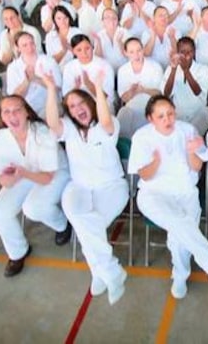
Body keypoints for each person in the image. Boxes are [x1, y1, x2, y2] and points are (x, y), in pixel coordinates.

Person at [129, 95, 208, 298]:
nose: (167, 119)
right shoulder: (141, 137)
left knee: (180, 230)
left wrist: (193, 151)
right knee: (180, 222)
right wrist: (156, 162)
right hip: (153, 194)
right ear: (150, 119)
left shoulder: (187, 130)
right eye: (160, 116)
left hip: (185, 191)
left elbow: (197, 167)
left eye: (170, 113)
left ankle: (180, 274)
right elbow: (144, 175)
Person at [43, 71, 129, 303]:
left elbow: (106, 120)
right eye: (71, 106)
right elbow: (52, 121)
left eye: (82, 103)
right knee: (83, 222)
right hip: (78, 187)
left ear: (91, 104)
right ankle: (108, 271)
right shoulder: (69, 130)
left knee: (90, 226)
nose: (78, 108)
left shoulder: (107, 125)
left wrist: (98, 88)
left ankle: (101, 272)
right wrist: (51, 89)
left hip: (111, 187)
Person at [0, 95, 71, 277]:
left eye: (17, 110)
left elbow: (47, 177)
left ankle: (62, 225)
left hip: (54, 173)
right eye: (7, 112)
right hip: (22, 174)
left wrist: (22, 174)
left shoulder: (42, 133)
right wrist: (10, 179)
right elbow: (3, 179)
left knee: (33, 208)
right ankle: (18, 252)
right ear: (1, 116)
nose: (12, 116)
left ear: (26, 111)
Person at [161, 37, 208, 135]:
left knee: (190, 135)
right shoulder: (171, 68)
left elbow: (197, 92)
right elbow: (166, 94)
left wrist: (186, 71)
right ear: (178, 52)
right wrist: (173, 70)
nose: (186, 55)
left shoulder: (203, 69)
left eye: (190, 52)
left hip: (199, 113)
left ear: (194, 53)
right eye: (182, 51)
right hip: (178, 114)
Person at [7, 31, 62, 119]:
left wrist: (36, 79)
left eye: (31, 43)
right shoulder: (12, 68)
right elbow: (14, 97)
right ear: (18, 48)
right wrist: (27, 81)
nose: (30, 48)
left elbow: (58, 88)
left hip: (50, 104)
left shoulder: (48, 61)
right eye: (25, 45)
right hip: (28, 109)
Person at [116, 37, 163, 138]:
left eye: (139, 50)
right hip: (132, 107)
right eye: (131, 52)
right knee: (123, 116)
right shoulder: (123, 70)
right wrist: (132, 91)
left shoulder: (155, 67)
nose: (136, 55)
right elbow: (123, 98)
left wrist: (144, 90)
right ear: (126, 53)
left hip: (151, 106)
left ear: (143, 50)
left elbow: (159, 93)